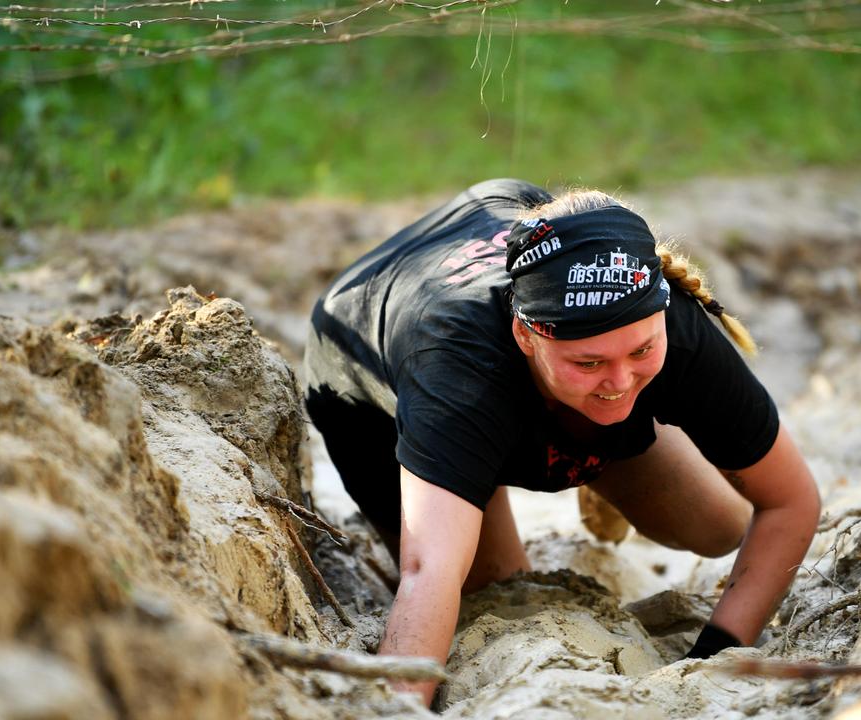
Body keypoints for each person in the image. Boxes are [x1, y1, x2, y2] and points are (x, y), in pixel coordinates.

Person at [304, 178, 820, 706]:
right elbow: (427, 570)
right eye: (590, 361)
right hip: (370, 396)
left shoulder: (674, 323)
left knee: (720, 524)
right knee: (497, 597)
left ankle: (587, 453)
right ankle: (496, 464)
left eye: (641, 352)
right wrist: (398, 708)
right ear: (527, 336)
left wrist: (712, 660)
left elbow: (790, 502)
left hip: (536, 379)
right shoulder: (458, 370)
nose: (620, 380)